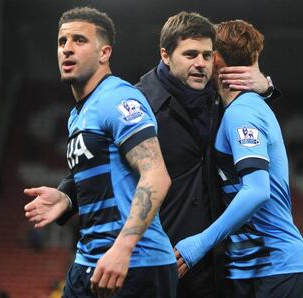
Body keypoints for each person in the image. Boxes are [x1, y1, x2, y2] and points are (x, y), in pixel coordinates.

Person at [36, 11, 277, 298]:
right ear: (165, 55)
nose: (201, 64)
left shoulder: (219, 100)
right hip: (157, 257)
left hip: (210, 260)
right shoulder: (138, 102)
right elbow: (101, 158)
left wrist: (266, 89)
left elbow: (253, 122)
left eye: (207, 55)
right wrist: (66, 195)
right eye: (190, 55)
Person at [23, 7, 177, 298]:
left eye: (79, 40)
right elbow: (102, 173)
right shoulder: (77, 115)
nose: (67, 49)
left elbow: (156, 176)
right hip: (89, 260)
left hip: (136, 265)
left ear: (104, 53)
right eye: (62, 42)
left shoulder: (118, 98)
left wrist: (122, 249)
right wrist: (67, 198)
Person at [174, 20, 303, 298]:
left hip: (275, 268)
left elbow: (257, 191)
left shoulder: (242, 112)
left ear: (216, 58)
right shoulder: (241, 107)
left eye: (206, 54)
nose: (201, 61)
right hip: (253, 268)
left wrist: (201, 243)